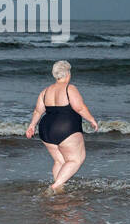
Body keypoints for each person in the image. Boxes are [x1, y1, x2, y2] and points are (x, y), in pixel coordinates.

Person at [25, 60, 99, 191]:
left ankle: (60, 190)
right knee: (76, 160)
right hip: (66, 128)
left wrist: (31, 126)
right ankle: (55, 186)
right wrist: (92, 120)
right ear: (67, 74)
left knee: (60, 161)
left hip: (46, 129)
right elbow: (80, 108)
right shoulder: (69, 88)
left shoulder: (45, 91)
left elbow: (38, 110)